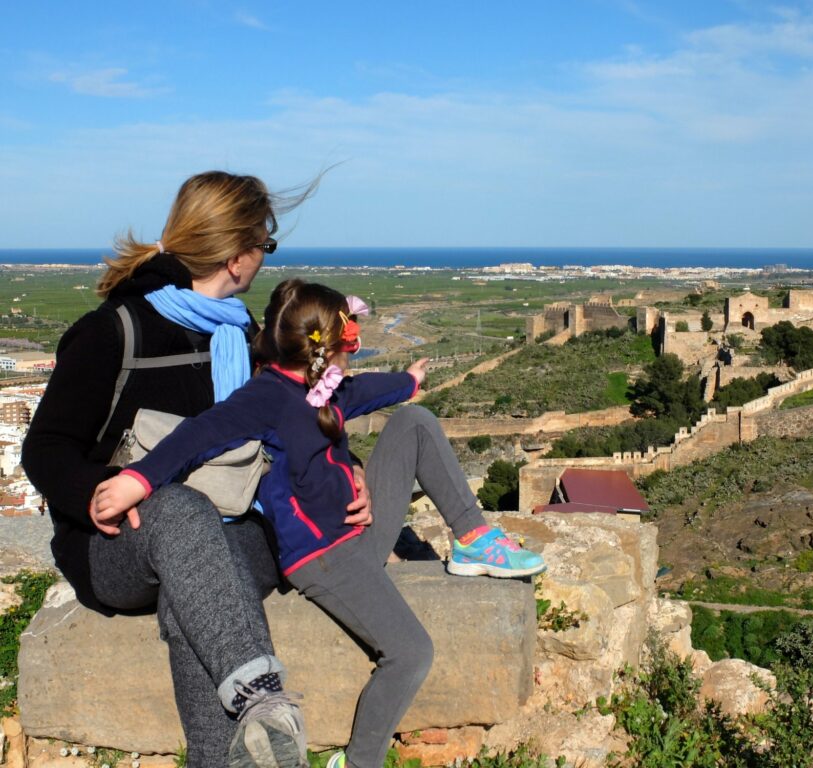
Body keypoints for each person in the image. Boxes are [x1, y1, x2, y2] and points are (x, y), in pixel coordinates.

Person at [91, 279, 546, 768]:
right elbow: (201, 434)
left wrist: (410, 381)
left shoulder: (325, 385)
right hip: (324, 558)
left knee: (414, 420)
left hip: (356, 532)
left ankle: (474, 537)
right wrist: (138, 479)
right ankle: (361, 761)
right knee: (411, 652)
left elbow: (367, 390)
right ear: (328, 350)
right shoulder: (266, 397)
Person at [22, 171, 333, 768]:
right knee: (181, 511)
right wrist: (95, 492)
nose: (263, 262)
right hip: (118, 544)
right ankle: (264, 703)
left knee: (194, 595)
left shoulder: (241, 333)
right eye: (265, 246)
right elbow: (46, 449)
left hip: (233, 530)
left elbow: (288, 425)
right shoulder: (114, 332)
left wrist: (346, 478)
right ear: (239, 256)